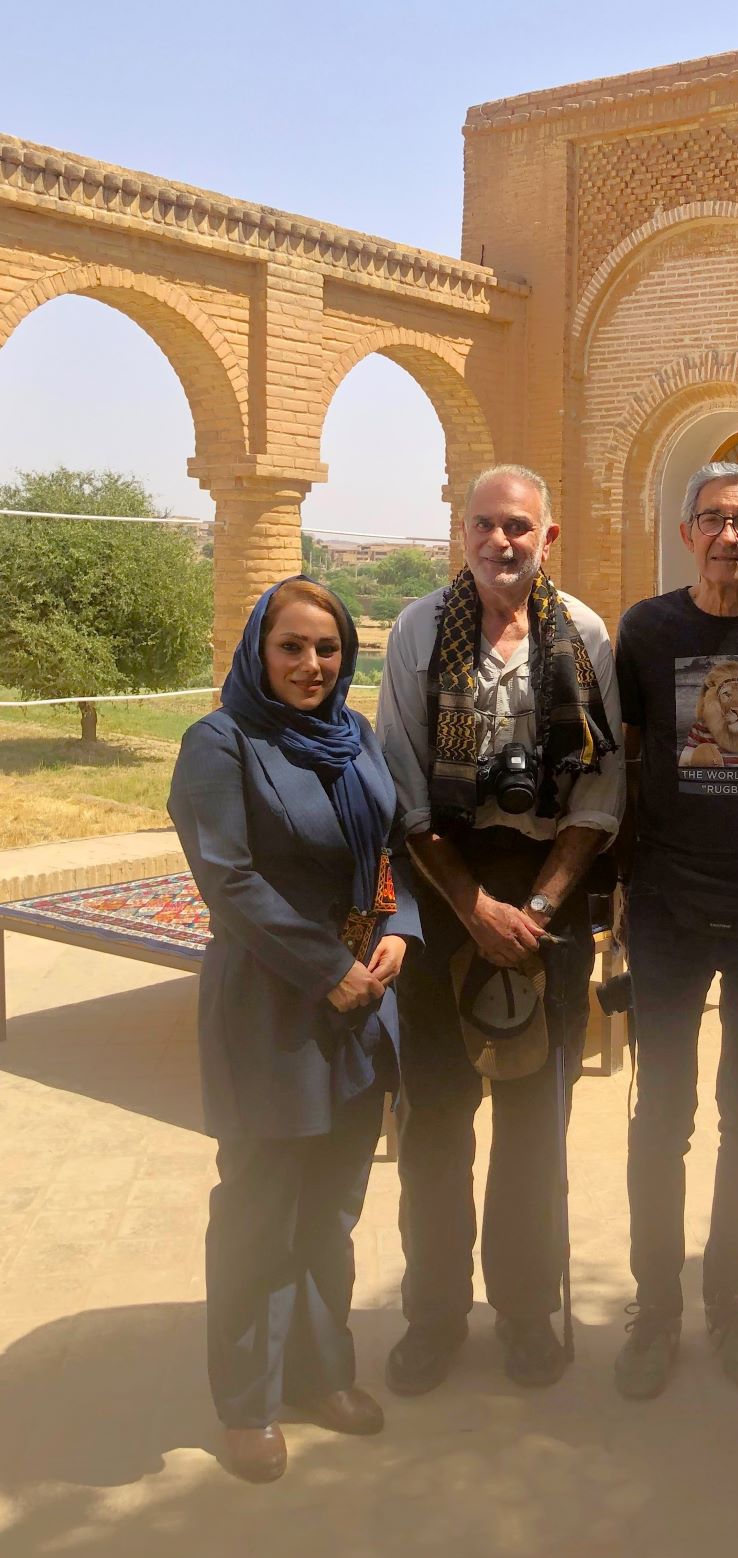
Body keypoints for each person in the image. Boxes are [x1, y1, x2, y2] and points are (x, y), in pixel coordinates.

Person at [376, 463, 623, 1394]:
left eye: (518, 527)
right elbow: (401, 787)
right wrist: (473, 909)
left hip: (544, 897)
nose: (500, 543)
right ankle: (434, 1316)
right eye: (483, 525)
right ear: (462, 534)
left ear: (546, 537)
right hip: (445, 888)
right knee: (436, 1123)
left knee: (533, 1131)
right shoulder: (414, 631)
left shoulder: (585, 634)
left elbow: (600, 797)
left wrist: (539, 910)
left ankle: (524, 1313)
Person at [168, 576, 421, 1485]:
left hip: (359, 1011)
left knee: (332, 1210)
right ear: (258, 651)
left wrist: (399, 931)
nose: (312, 665)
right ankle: (247, 1400)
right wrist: (329, 969)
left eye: (326, 649)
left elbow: (387, 851)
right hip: (273, 1009)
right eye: (292, 647)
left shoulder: (353, 738)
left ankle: (322, 1376)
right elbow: (229, 882)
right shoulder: (220, 744)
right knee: (259, 1211)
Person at [612, 460, 738, 1399]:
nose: (729, 536)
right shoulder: (648, 631)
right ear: (688, 532)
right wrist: (614, 897)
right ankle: (655, 1308)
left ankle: (729, 1298)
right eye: (712, 520)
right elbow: (623, 761)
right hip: (666, 908)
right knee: (662, 1117)